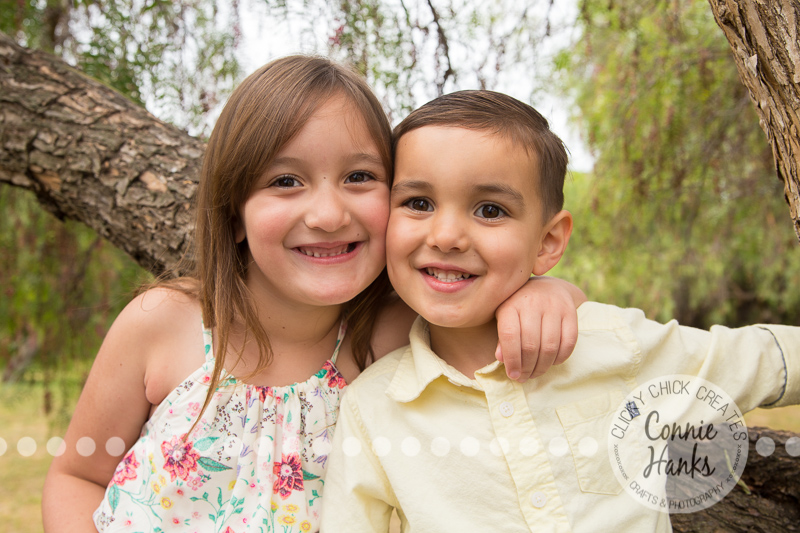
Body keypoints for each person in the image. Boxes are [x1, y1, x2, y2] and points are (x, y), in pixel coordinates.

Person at [41, 58, 586, 532]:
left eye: (359, 176)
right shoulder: (164, 324)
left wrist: (548, 292)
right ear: (234, 214)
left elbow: (508, 309)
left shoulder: (392, 337)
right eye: (285, 181)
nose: (328, 215)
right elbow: (76, 475)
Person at [319, 90, 800, 532]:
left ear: (548, 242)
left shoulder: (614, 344)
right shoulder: (374, 410)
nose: (446, 235)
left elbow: (763, 361)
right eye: (419, 202)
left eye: (489, 210)